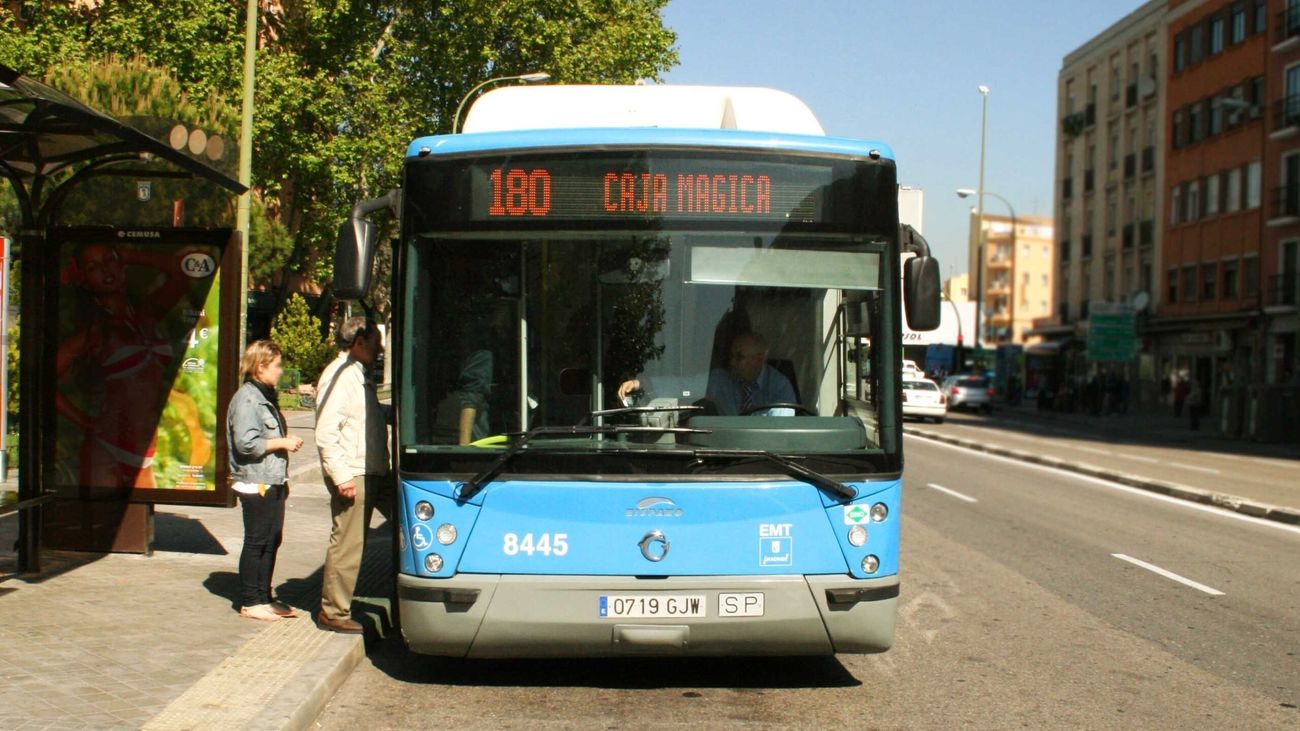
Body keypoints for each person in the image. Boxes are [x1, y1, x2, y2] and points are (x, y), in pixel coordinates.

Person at [55, 242, 208, 488]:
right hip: (107, 449)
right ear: (83, 279)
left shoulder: (145, 313)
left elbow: (183, 274)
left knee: (139, 523)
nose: (106, 270)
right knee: (101, 525)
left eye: (110, 260)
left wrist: (130, 255)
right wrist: (85, 422)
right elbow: (42, 382)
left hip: (146, 452)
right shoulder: (93, 331)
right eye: (94, 267)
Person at [314, 317, 391, 634]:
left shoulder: (357, 374)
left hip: (372, 470)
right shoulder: (340, 375)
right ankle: (333, 610)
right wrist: (340, 476)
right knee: (348, 541)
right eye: (374, 342)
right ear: (359, 342)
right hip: (354, 473)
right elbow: (326, 432)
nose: (379, 349)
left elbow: (363, 419)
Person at [227, 340, 304, 622]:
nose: (281, 371)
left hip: (271, 479)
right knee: (257, 540)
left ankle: (264, 597)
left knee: (272, 538)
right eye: (277, 366)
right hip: (254, 480)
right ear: (260, 367)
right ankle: (251, 601)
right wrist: (283, 441)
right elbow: (246, 443)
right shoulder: (247, 398)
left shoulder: (263, 396)